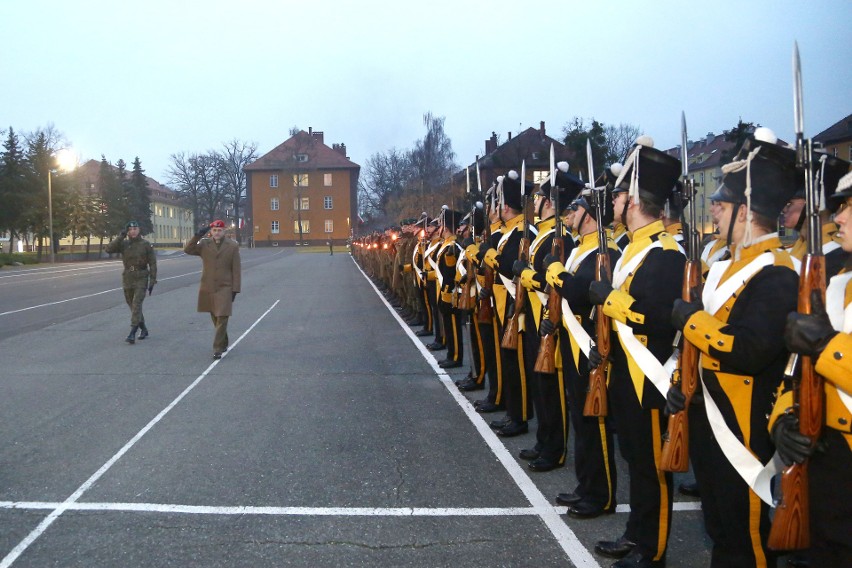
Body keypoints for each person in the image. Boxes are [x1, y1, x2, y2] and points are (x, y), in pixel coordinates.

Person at [667, 129, 800, 568]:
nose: (714, 212)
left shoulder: (777, 274)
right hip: (707, 415)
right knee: (720, 527)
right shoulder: (724, 267)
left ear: (745, 213)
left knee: (747, 536)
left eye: (722, 206)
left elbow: (747, 349)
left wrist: (692, 320)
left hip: (742, 426)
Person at [588, 136, 685, 568]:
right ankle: (637, 532)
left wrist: (609, 300)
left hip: (649, 378)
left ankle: (654, 548)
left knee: (651, 468)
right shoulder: (632, 248)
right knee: (633, 459)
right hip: (623, 373)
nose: (613, 201)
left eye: (619, 194)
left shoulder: (665, 254)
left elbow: (658, 318)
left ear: (634, 200)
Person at [772, 169, 852, 568]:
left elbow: (819, 349)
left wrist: (826, 344)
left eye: (849, 208)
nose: (837, 218)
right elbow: (796, 364)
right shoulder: (835, 278)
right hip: (824, 452)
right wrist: (784, 416)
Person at [184, 220, 242, 359]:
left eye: (219, 230)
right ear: (211, 232)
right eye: (214, 230)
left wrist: (235, 289)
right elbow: (188, 250)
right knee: (215, 316)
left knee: (222, 316)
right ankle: (224, 341)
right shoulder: (204, 244)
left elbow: (236, 269)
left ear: (224, 231)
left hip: (225, 286)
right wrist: (197, 236)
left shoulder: (232, 246)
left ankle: (217, 348)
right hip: (208, 286)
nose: (217, 233)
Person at [105, 220, 157, 344]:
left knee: (136, 304)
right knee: (132, 305)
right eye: (130, 230)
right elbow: (108, 249)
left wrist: (152, 280)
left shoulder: (145, 244)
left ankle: (133, 331)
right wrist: (121, 236)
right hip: (128, 277)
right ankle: (143, 328)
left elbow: (153, 263)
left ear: (139, 230)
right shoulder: (124, 244)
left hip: (142, 276)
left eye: (135, 229)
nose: (133, 231)